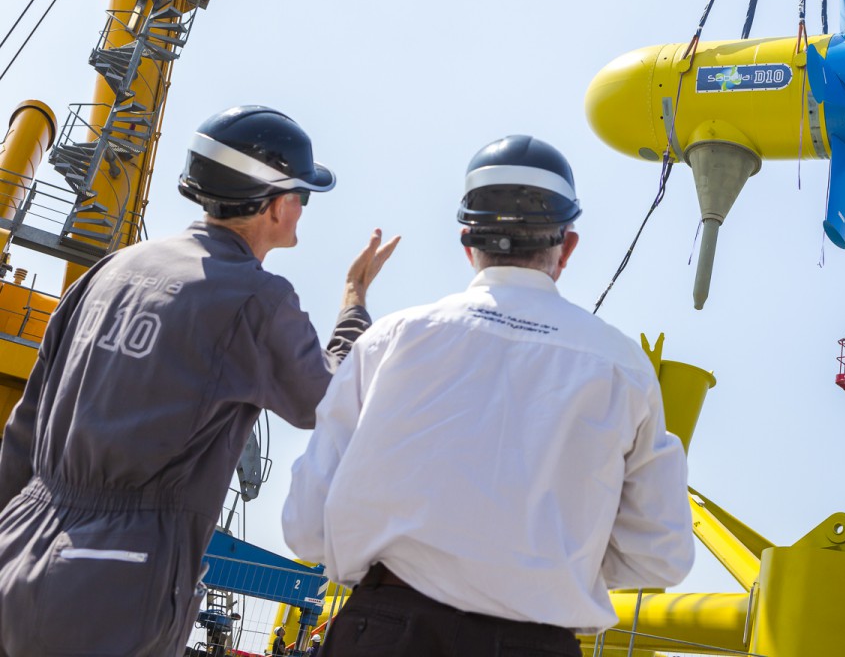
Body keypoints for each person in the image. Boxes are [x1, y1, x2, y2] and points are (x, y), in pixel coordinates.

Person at [0, 106, 399, 657]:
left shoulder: (111, 269)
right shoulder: (254, 299)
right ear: (277, 204)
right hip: (111, 586)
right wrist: (354, 304)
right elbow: (329, 400)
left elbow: (23, 430)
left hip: (14, 549)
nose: (302, 208)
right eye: (302, 195)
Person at [282, 135, 694, 657]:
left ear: (467, 243)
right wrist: (552, 565)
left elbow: (305, 526)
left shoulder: (391, 340)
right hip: (535, 643)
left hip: (385, 632)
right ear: (566, 247)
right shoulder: (621, 367)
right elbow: (663, 553)